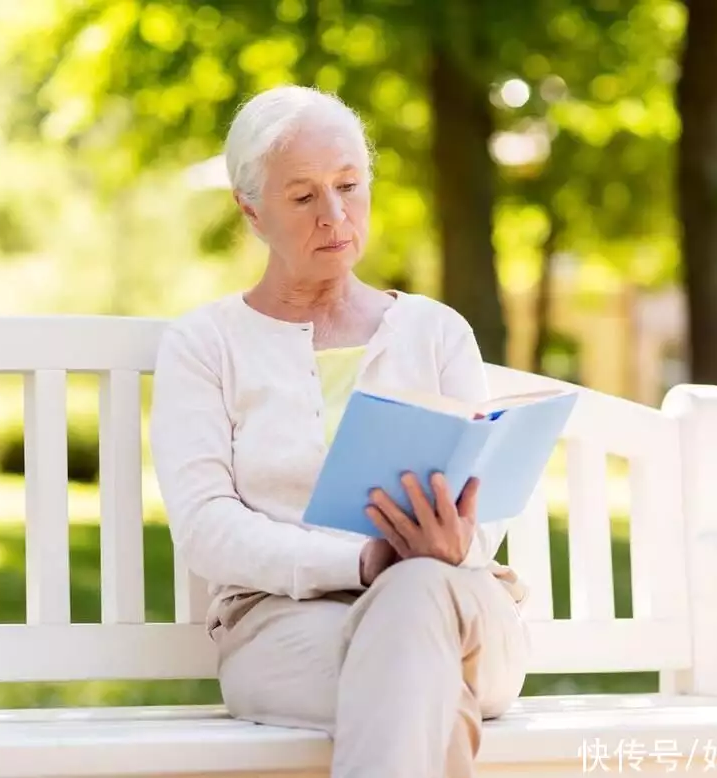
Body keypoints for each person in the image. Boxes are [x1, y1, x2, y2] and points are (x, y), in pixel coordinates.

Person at [148, 84, 530, 778]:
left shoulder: (437, 332)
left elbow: (484, 504)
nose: (335, 215)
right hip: (285, 629)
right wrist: (361, 564)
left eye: (349, 186)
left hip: (459, 607)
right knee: (415, 679)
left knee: (415, 603)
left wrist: (451, 543)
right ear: (251, 210)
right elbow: (207, 527)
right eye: (302, 197)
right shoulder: (205, 344)